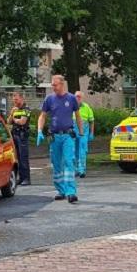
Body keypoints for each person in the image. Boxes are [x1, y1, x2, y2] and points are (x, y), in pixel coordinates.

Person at [37, 75, 83, 203]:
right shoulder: (49, 99)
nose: (53, 87)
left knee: (69, 161)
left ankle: (71, 192)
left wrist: (81, 132)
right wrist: (39, 131)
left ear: (62, 84)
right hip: (54, 137)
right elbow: (42, 116)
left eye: (55, 85)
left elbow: (78, 116)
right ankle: (61, 190)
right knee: (56, 164)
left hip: (68, 136)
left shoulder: (71, 99)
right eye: (52, 84)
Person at [7, 92, 31, 186]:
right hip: (15, 134)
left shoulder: (26, 109)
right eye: (14, 100)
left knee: (23, 157)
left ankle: (26, 178)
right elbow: (8, 121)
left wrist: (15, 119)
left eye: (16, 99)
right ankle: (20, 178)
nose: (15, 101)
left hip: (22, 135)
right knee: (17, 158)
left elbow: (22, 122)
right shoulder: (14, 109)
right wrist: (12, 114)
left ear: (21, 99)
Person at [73, 91, 95, 178]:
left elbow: (92, 121)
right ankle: (76, 169)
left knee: (82, 151)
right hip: (73, 131)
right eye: (76, 96)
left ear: (82, 98)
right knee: (74, 151)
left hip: (84, 131)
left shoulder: (87, 107)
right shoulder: (71, 106)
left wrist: (91, 133)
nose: (77, 98)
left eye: (79, 97)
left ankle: (82, 169)